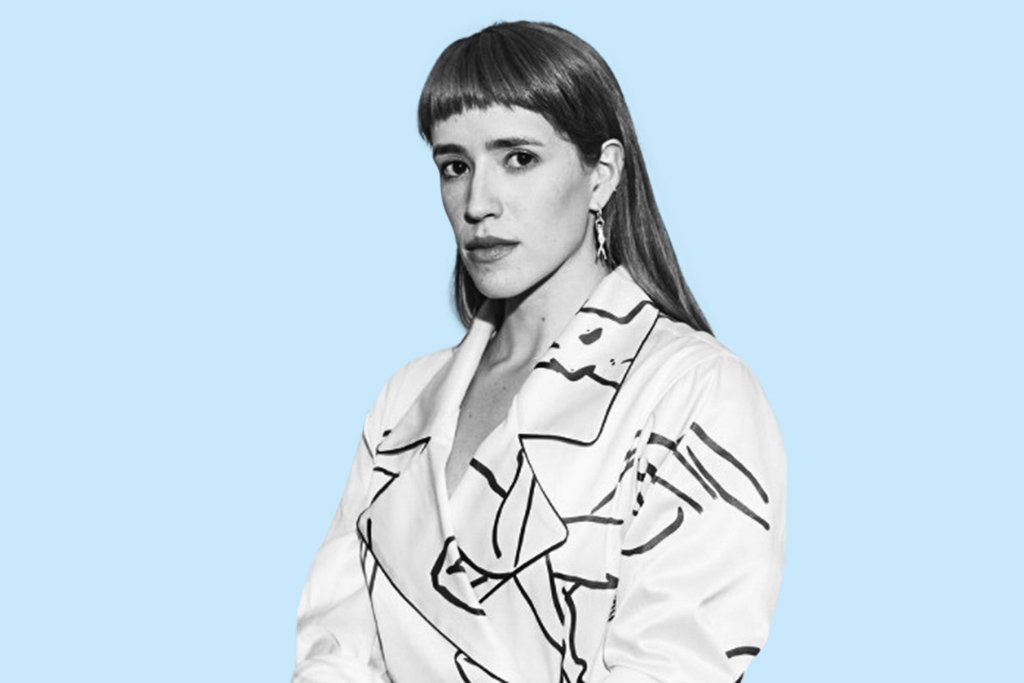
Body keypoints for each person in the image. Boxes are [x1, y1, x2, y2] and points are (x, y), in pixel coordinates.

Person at [292, 20, 786, 683]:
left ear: (601, 174)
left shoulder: (692, 390)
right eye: (454, 166)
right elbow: (337, 649)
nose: (477, 202)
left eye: (518, 158)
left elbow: (675, 665)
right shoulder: (405, 401)